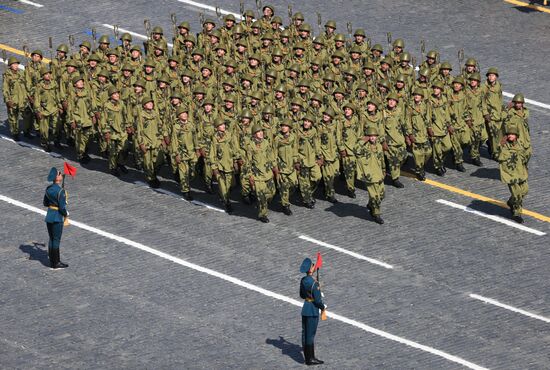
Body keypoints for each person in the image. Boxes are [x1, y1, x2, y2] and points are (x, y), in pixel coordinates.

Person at [496, 126, 528, 224]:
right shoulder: (503, 145)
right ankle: (516, 213)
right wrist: (500, 145)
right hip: (510, 175)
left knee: (524, 190)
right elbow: (498, 156)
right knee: (517, 194)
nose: (510, 136)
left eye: (513, 134)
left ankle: (511, 202)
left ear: (516, 136)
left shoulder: (520, 144)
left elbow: (525, 156)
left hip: (521, 172)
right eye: (509, 134)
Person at [299, 258, 325, 366]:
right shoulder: (314, 283)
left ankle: (308, 357)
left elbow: (301, 295)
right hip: (312, 310)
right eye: (313, 265)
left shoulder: (303, 280)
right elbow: (318, 301)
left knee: (305, 333)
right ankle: (310, 359)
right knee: (310, 334)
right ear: (310, 269)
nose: (314, 267)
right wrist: (323, 307)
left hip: (305, 308)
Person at [43, 167, 69, 269]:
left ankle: (52, 260)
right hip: (57, 217)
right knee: (56, 239)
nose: (61, 174)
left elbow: (45, 203)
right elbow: (62, 208)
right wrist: (66, 213)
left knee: (51, 238)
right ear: (57, 178)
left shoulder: (48, 189)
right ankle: (56, 262)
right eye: (59, 173)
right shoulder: (61, 191)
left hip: (49, 216)